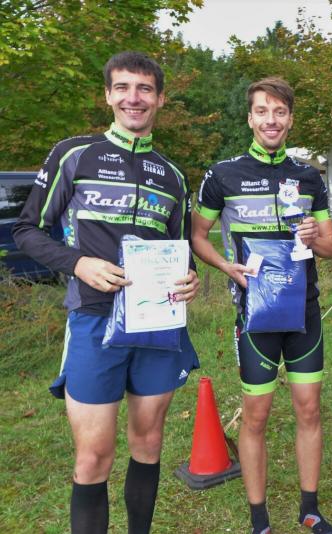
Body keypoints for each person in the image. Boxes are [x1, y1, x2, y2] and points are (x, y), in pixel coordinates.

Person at [13, 51, 200, 533]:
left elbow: (181, 251)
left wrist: (190, 278)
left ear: (160, 99)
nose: (133, 98)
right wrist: (78, 263)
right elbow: (27, 229)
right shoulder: (74, 154)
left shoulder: (173, 175)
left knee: (149, 443)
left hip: (157, 325)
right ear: (108, 96)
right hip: (94, 320)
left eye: (144, 89)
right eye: (123, 88)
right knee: (94, 455)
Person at [191, 77, 332, 534]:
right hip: (254, 314)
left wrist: (315, 237)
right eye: (262, 111)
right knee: (255, 416)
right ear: (250, 118)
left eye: (279, 112)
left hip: (304, 313)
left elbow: (330, 247)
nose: (271, 120)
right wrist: (225, 266)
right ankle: (260, 520)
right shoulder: (223, 175)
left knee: (309, 410)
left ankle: (309, 510)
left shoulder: (308, 176)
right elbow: (198, 236)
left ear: (290, 119)